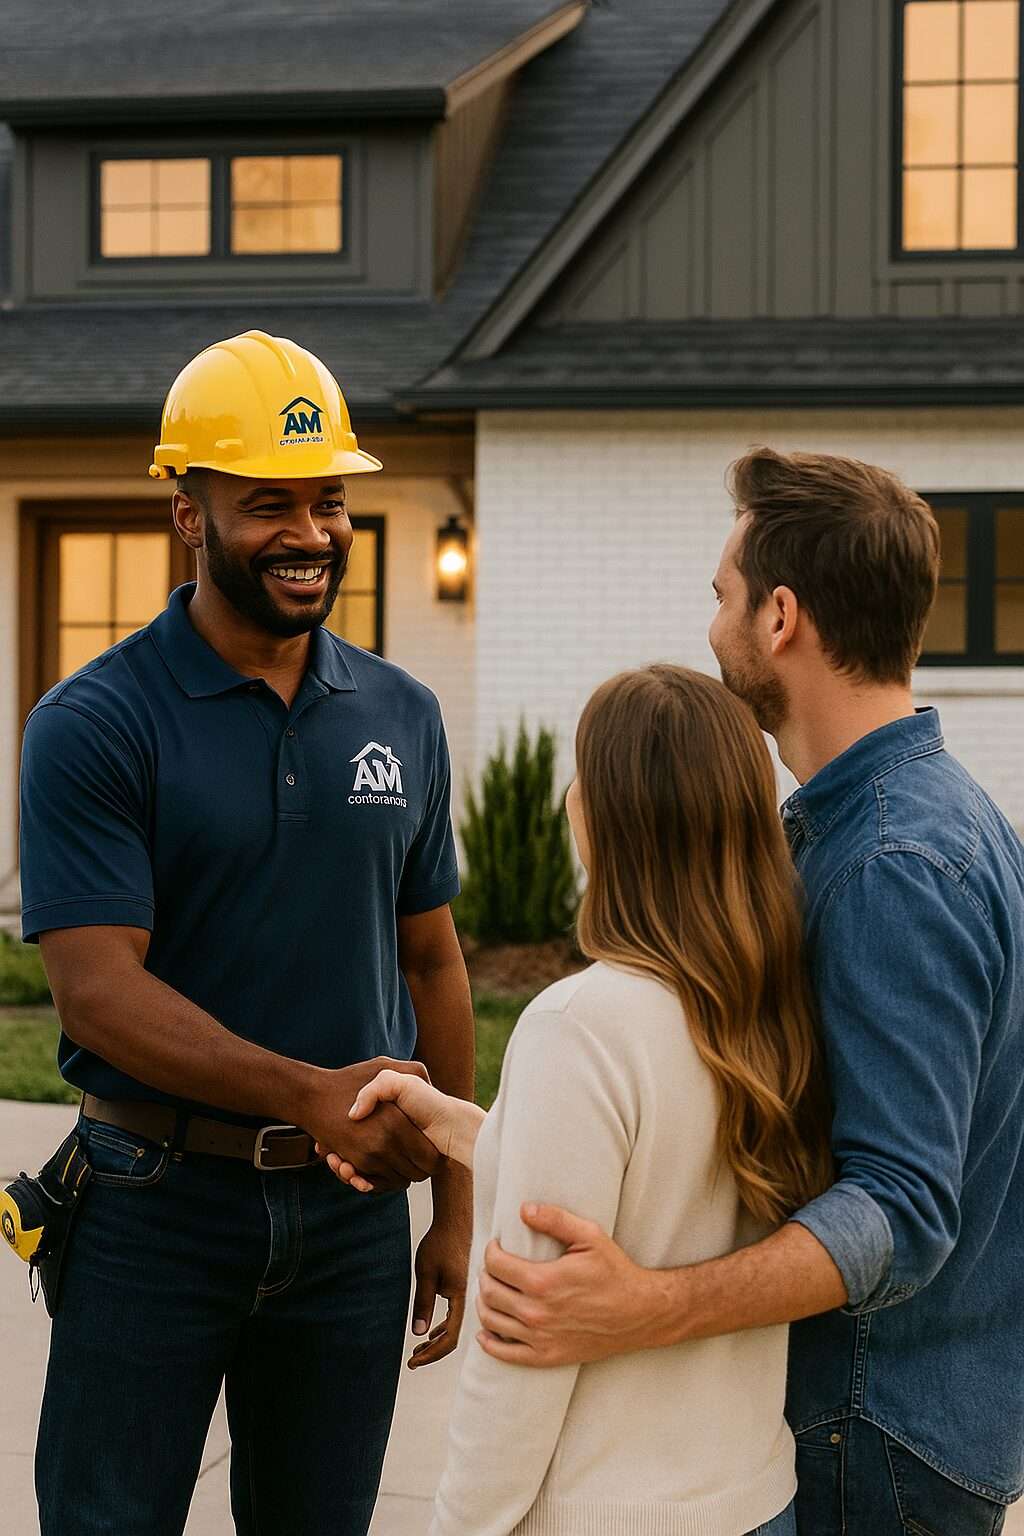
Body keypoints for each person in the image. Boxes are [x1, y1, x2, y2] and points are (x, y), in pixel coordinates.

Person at [467, 450, 1024, 1536]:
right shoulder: (915, 824)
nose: (711, 622)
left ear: (780, 617)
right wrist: (472, 1129)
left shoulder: (891, 867)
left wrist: (646, 1309)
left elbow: (902, 1211)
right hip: (904, 1427)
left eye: (720, 596)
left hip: (875, 1439)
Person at [18, 329, 474, 1536]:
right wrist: (307, 1092)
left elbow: (431, 957)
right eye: (268, 503)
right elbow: (97, 994)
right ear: (186, 509)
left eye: (326, 500)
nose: (310, 533)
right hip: (150, 1206)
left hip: (351, 1227)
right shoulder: (94, 723)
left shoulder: (401, 712)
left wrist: (456, 1215)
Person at [328, 663, 835, 1536]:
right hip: (755, 1501)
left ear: (612, 816)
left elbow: (521, 1346)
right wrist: (467, 1128)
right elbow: (664, 1195)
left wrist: (458, 1525)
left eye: (581, 773)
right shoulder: (768, 1009)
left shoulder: (581, 1025)